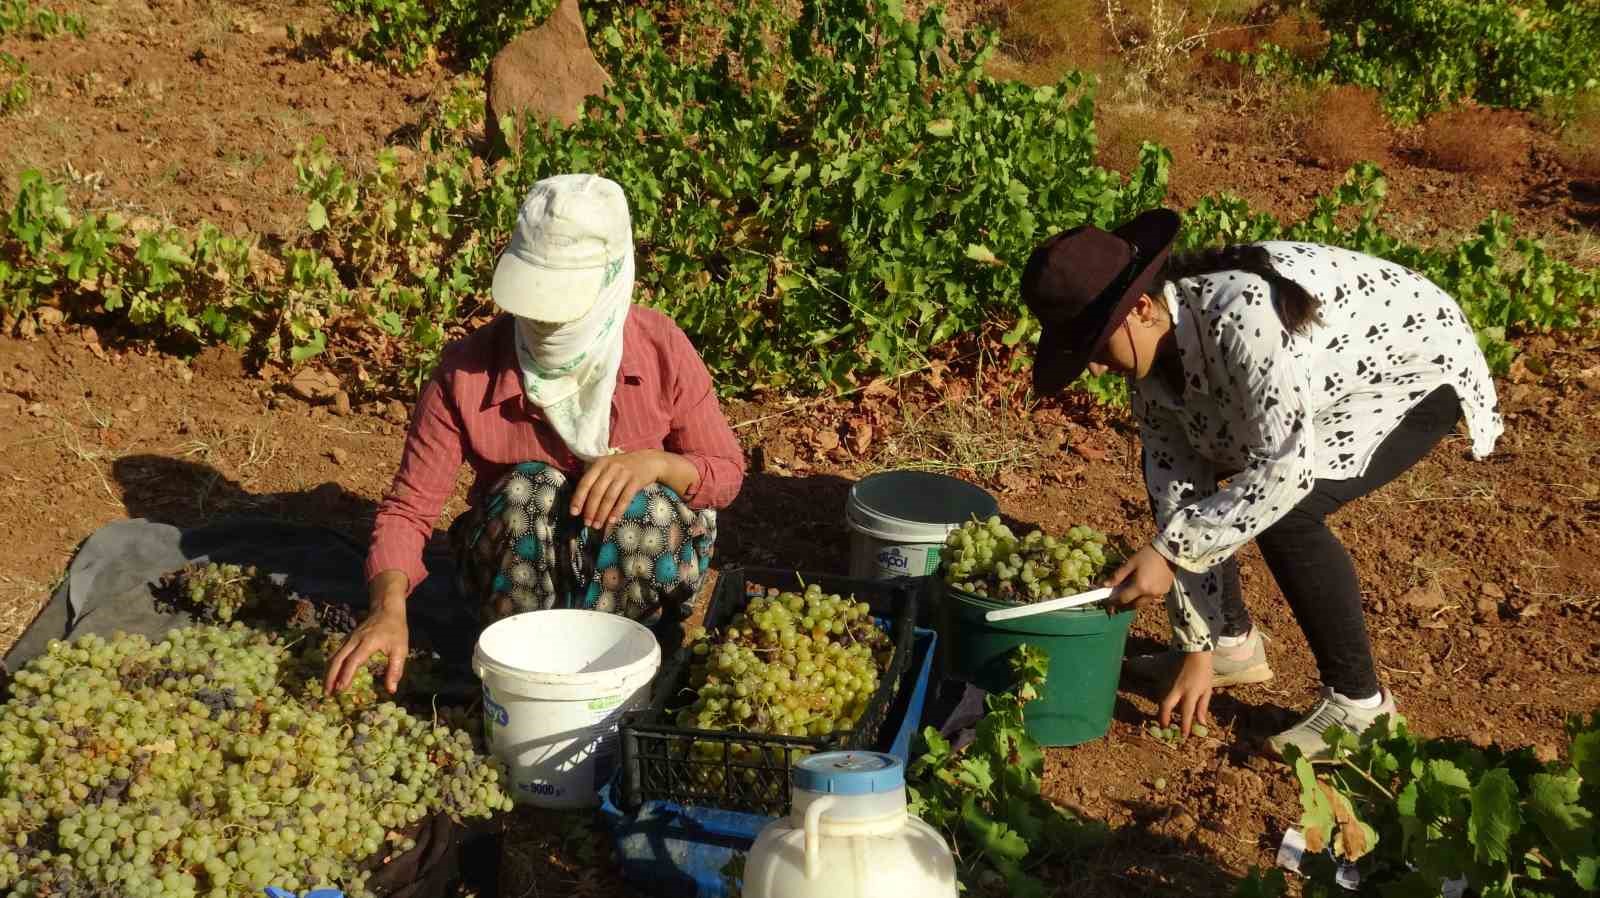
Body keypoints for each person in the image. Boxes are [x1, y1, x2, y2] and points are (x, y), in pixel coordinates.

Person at [1020, 209, 1503, 759]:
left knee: (1288, 513)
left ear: (1143, 308)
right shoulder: (1152, 369)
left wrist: (1170, 551)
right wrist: (1197, 646)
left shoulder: (1241, 316)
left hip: (1410, 365)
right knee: (1219, 491)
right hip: (1322, 370)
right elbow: (1180, 494)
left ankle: (1360, 707)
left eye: (1098, 346)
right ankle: (1231, 646)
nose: (1096, 371)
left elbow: (1284, 473)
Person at [324, 174, 746, 696]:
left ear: (614, 277)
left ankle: (624, 663)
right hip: (520, 571)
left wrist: (654, 464)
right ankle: (527, 675)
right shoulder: (467, 370)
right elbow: (409, 511)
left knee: (645, 507)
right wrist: (388, 608)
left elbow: (725, 474)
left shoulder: (660, 348)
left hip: (635, 563)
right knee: (529, 488)